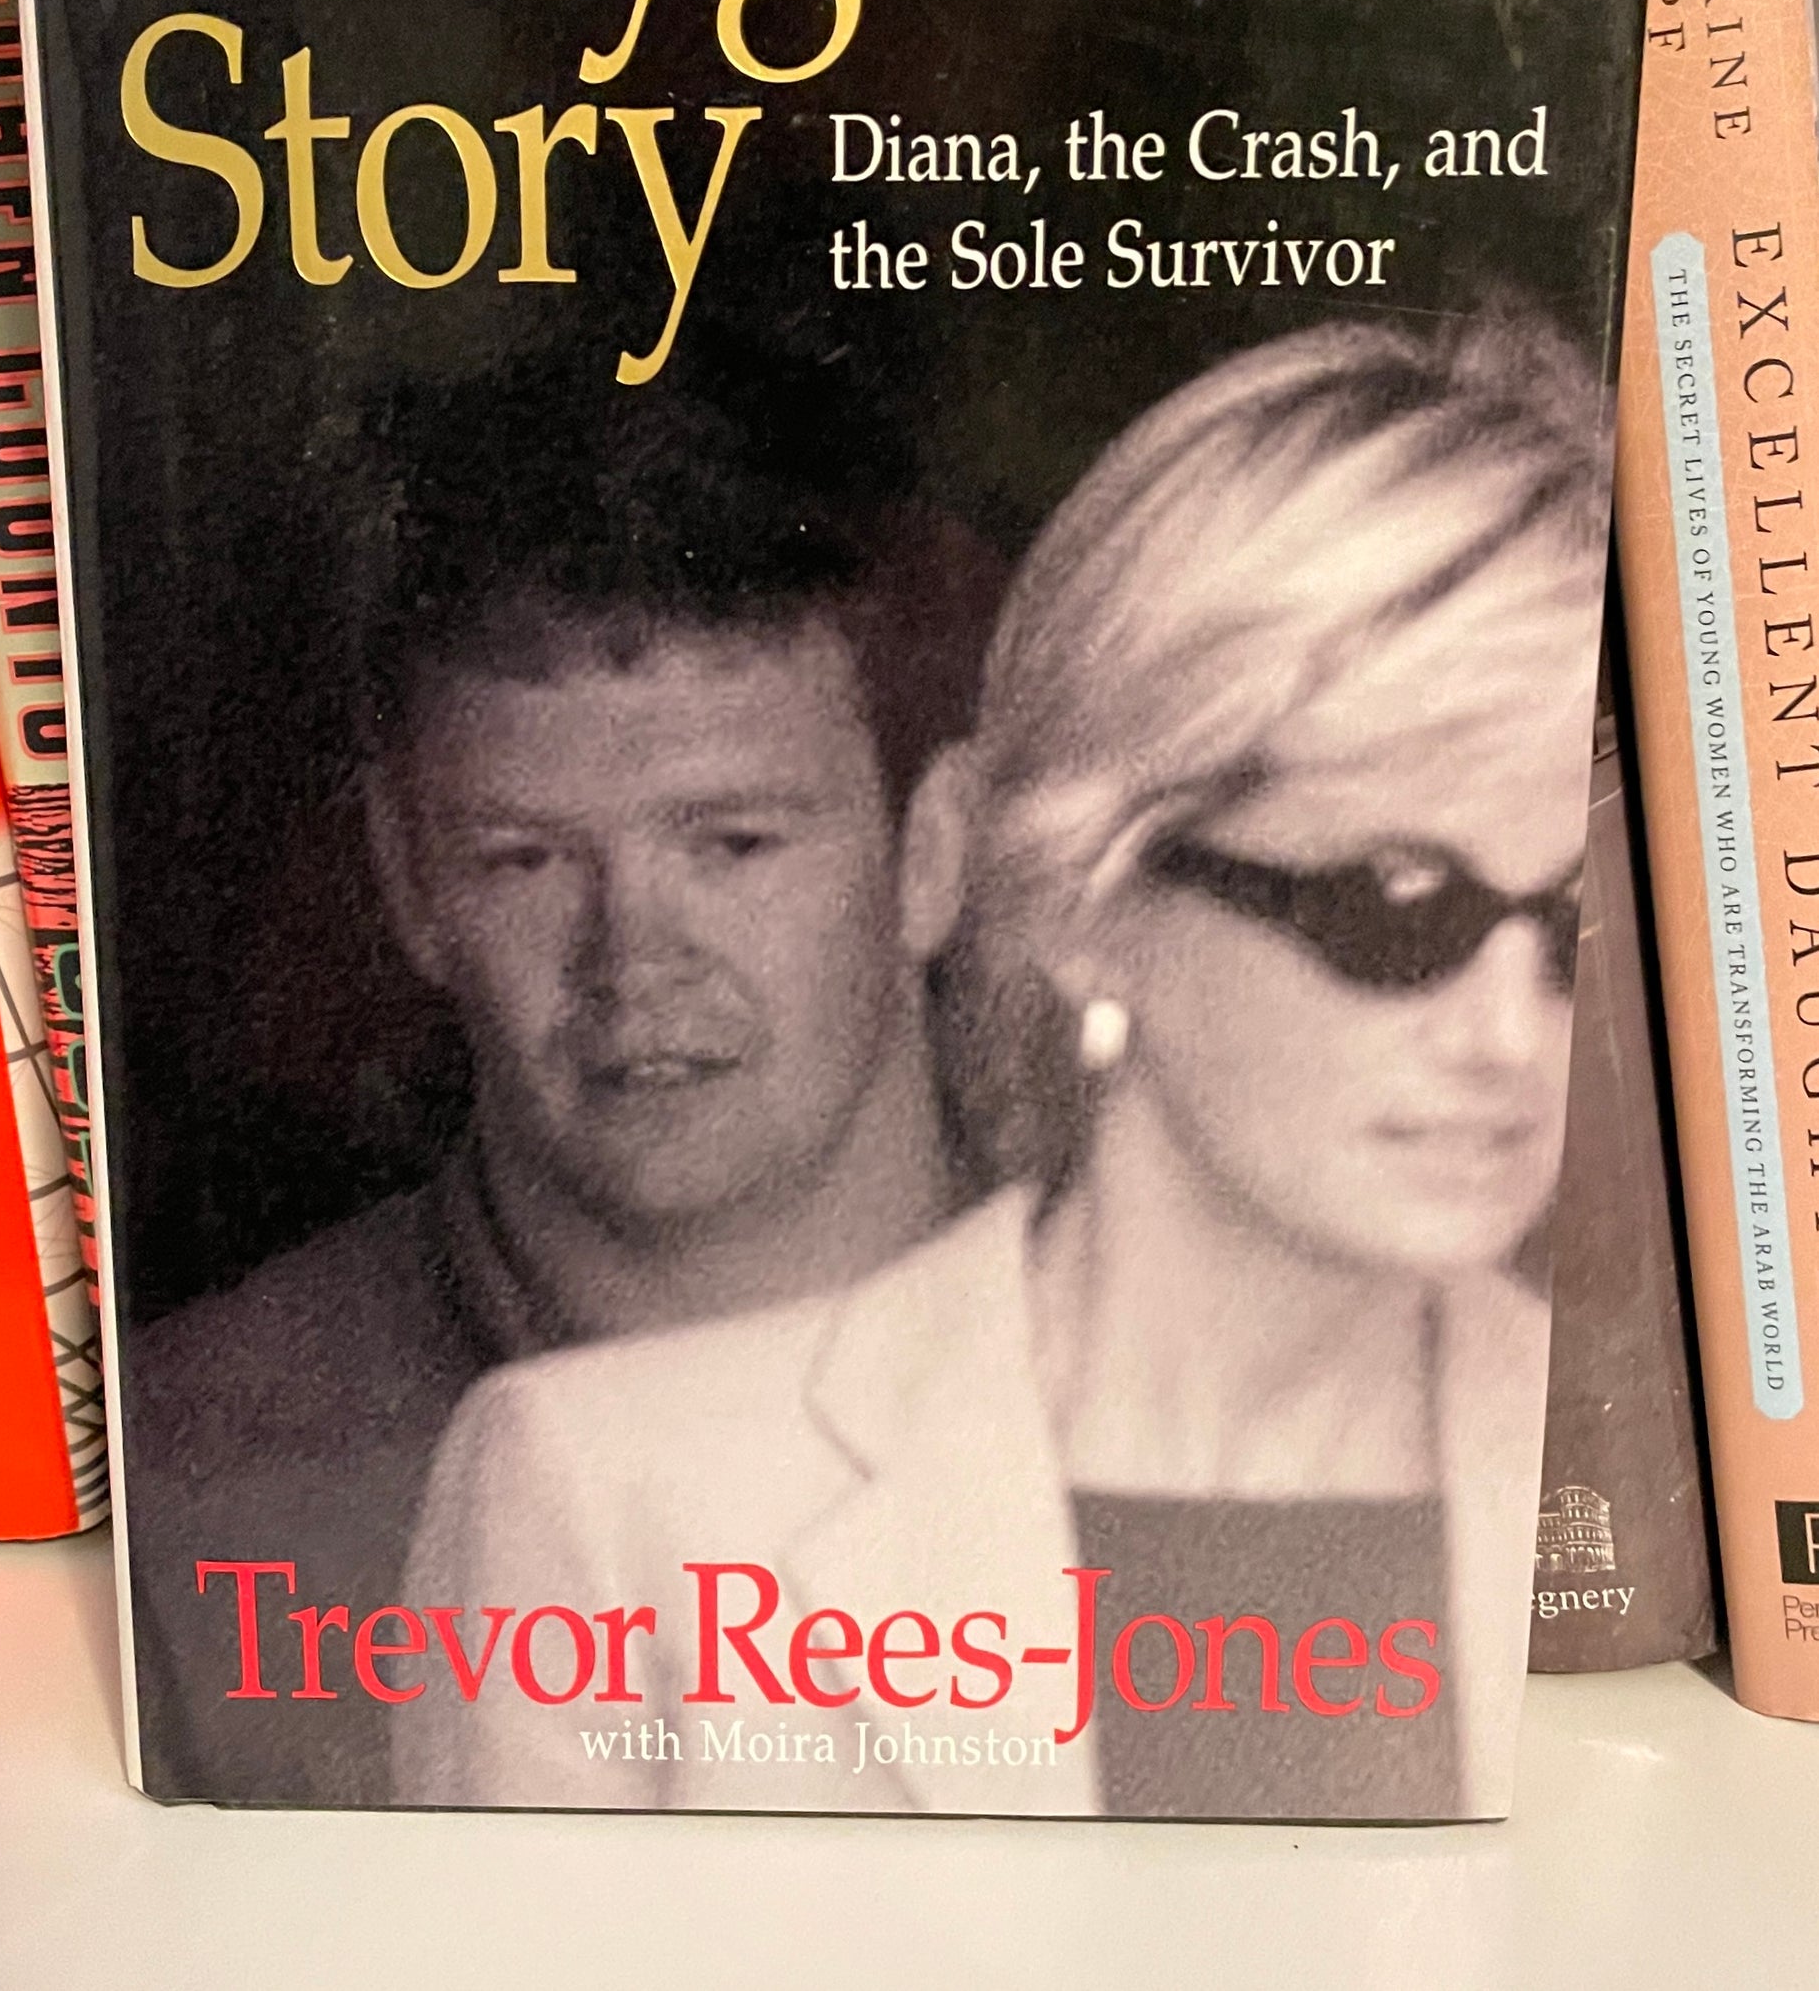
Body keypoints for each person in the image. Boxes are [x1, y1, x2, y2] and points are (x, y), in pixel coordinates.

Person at [395, 310, 1607, 1820]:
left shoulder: (1622, 1488)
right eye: (1394, 908)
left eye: (1571, 925)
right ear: (1090, 903)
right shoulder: (604, 1497)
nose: (1509, 1034)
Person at [121, 360, 985, 1804]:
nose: (629, 959)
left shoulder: (1199, 1387)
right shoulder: (188, 1497)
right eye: (522, 858)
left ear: (936, 854)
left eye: (734, 843)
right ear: (408, 879)